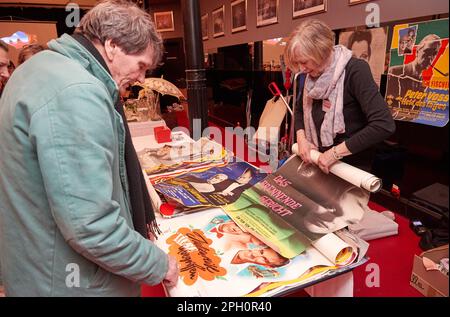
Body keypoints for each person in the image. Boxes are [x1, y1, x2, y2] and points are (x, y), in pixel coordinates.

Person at [0, 0, 178, 296]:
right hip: (66, 281)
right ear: (111, 46)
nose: (141, 78)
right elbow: (90, 226)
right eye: (141, 66)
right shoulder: (76, 91)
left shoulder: (42, 67)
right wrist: (158, 264)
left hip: (37, 265)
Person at [285, 19, 395, 173]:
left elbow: (384, 125)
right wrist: (302, 139)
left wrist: (334, 153)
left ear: (320, 52)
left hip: (351, 167)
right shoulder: (311, 75)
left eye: (304, 62)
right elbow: (299, 111)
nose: (301, 69)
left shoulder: (355, 70)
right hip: (319, 159)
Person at [387, 34, 441, 121]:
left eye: (434, 53)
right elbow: (388, 107)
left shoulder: (424, 84)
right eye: (427, 51)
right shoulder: (395, 72)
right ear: (417, 51)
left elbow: (415, 114)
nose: (430, 57)